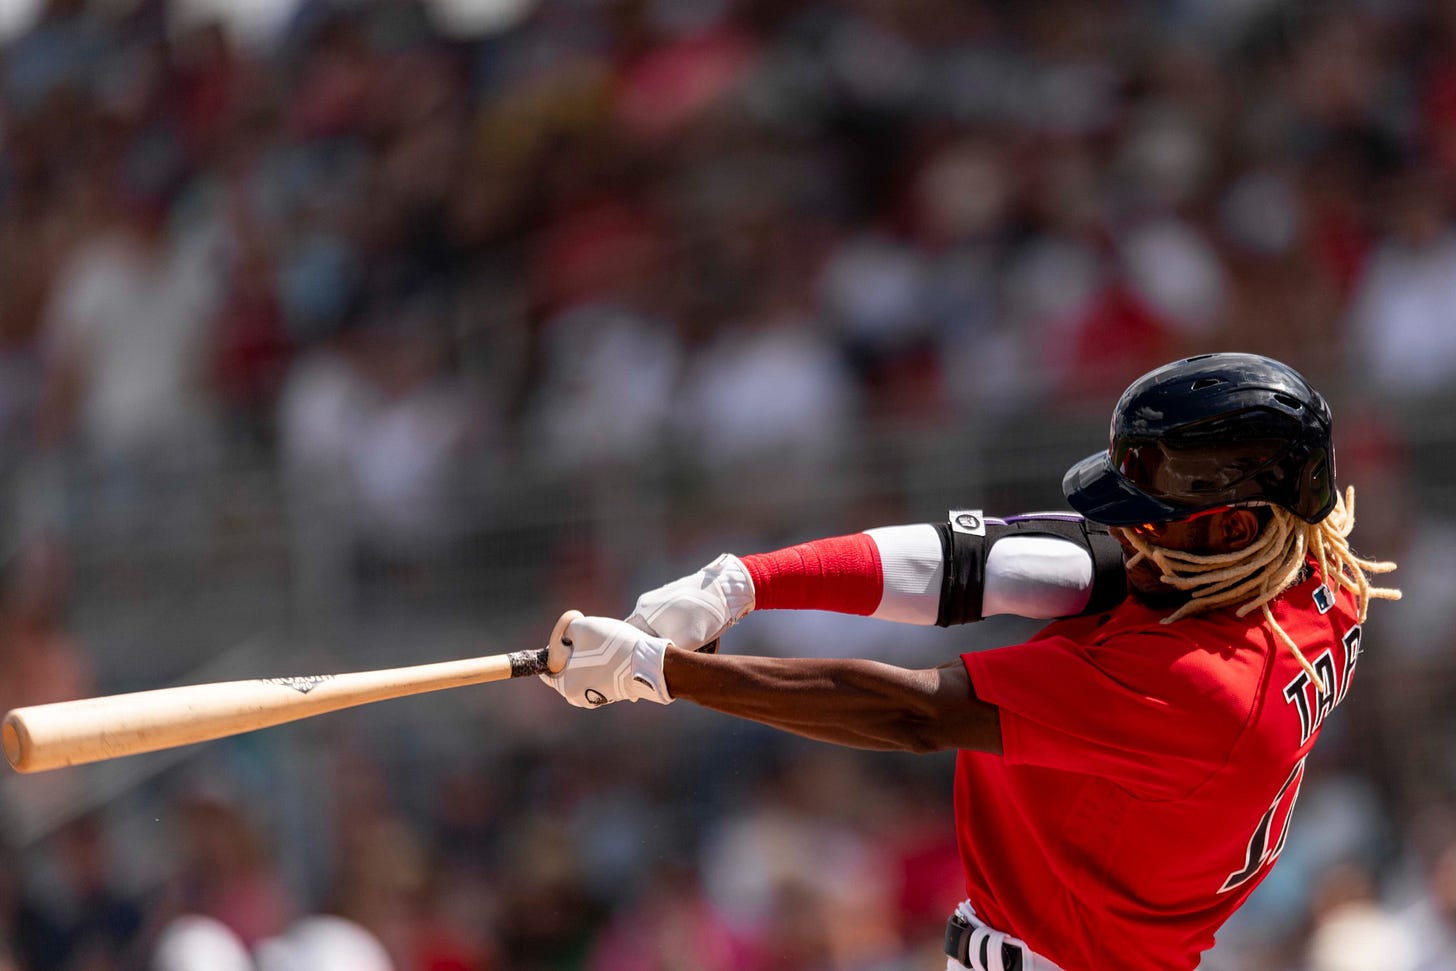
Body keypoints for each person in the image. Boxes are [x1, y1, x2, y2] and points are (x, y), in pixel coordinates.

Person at [538, 353, 1401, 971]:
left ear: (1232, 525)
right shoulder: (1313, 573)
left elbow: (916, 712)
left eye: (1154, 513)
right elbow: (983, 564)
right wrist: (741, 583)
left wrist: (667, 675)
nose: (1128, 532)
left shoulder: (1202, 688)